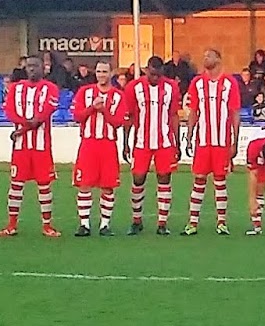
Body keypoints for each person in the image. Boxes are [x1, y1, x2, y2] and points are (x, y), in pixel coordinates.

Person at [0, 56, 62, 238]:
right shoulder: (16, 88)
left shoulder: (50, 88)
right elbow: (9, 111)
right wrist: (24, 123)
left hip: (41, 146)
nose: (32, 69)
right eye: (29, 66)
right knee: (16, 184)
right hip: (21, 148)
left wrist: (22, 129)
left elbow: (43, 115)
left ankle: (47, 225)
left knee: (44, 185)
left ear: (43, 68)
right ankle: (11, 225)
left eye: (35, 66)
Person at [183, 48, 241, 236]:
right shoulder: (197, 82)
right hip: (203, 141)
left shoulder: (230, 83)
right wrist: (190, 134)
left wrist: (235, 140)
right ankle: (192, 223)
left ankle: (221, 222)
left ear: (218, 58)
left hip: (222, 141)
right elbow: (193, 111)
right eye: (204, 55)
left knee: (220, 181)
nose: (205, 57)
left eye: (209, 55)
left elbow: (235, 112)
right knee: (198, 180)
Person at [123, 56, 181, 235]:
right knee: (138, 179)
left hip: (164, 142)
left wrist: (177, 142)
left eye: (158, 75)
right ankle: (136, 220)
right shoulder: (134, 87)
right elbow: (129, 116)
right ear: (147, 70)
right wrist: (125, 142)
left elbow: (173, 116)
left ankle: (162, 223)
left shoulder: (171, 87)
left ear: (162, 72)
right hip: (142, 142)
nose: (155, 78)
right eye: (152, 74)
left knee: (164, 178)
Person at [71, 61, 128, 237]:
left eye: (104, 71)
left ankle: (105, 224)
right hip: (88, 144)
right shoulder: (85, 92)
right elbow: (77, 117)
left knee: (108, 186)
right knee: (84, 184)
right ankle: (84, 224)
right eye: (98, 71)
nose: (101, 75)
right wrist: (92, 108)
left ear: (111, 73)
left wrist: (104, 110)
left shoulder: (118, 96)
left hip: (108, 145)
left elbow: (119, 122)